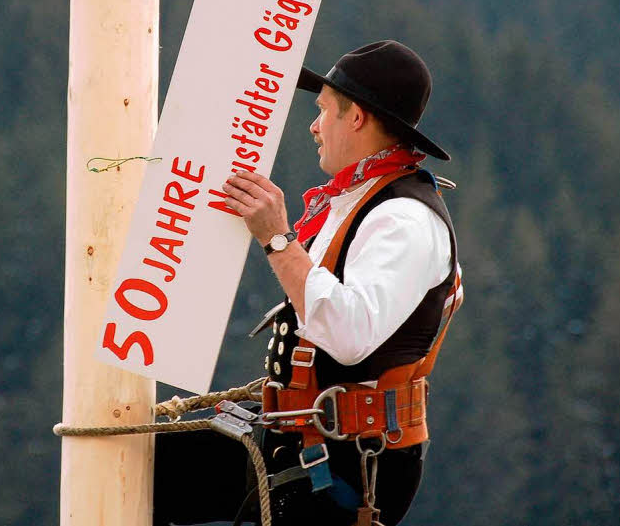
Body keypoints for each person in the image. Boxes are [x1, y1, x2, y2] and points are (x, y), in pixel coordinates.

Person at [154, 40, 462, 526]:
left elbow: (348, 334)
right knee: (141, 465)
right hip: (305, 438)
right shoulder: (364, 201)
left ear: (356, 117)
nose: (313, 126)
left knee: (148, 475)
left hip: (347, 460)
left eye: (323, 111)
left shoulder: (404, 219)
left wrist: (278, 238)